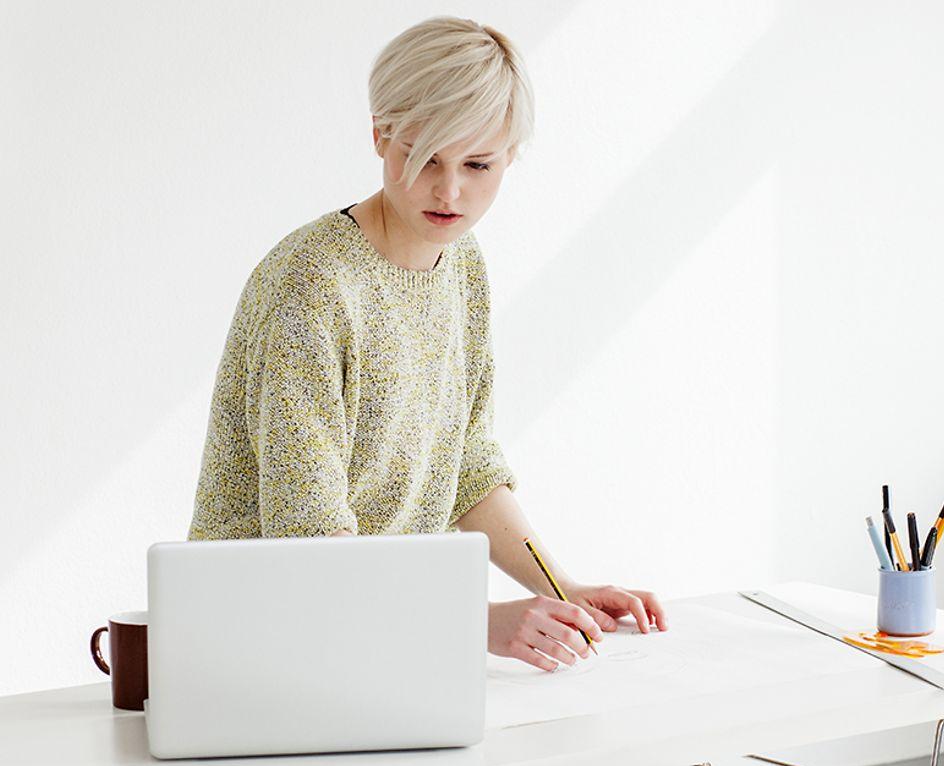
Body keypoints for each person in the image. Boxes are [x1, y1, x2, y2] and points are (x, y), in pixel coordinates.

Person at [187, 15, 667, 672]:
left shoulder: (460, 264)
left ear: (511, 156)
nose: (450, 191)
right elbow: (309, 543)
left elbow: (466, 465)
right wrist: (481, 625)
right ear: (381, 136)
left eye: (477, 164)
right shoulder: (313, 286)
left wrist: (566, 590)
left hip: (387, 646)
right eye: (423, 158)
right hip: (261, 649)